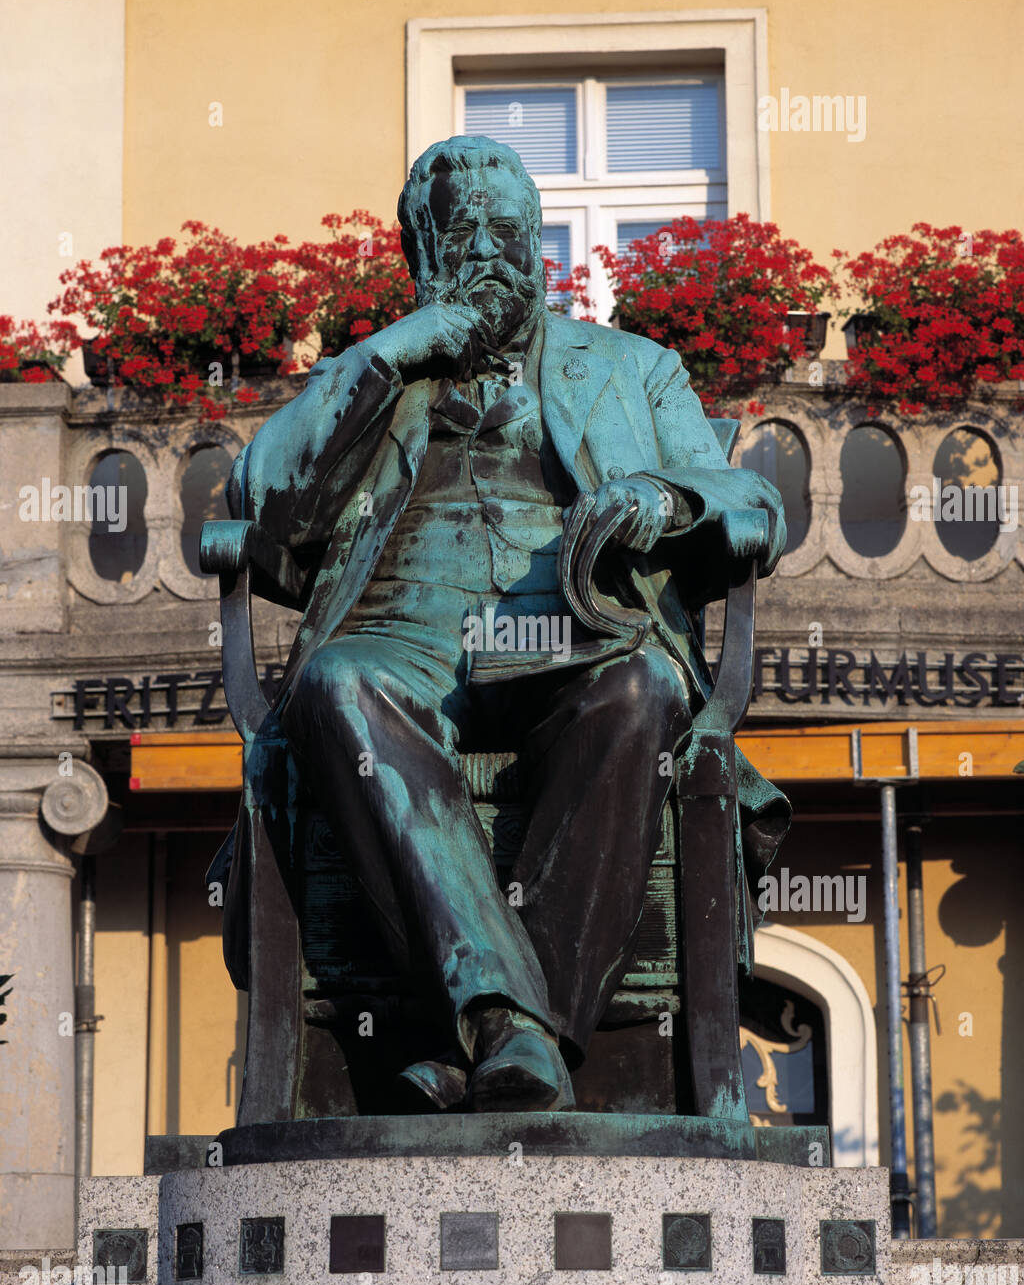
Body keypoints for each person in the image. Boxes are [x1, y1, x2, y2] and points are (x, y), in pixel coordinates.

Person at [220, 135, 789, 1113]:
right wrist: (396, 349)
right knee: (333, 683)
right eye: (461, 230)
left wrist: (660, 499)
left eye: (508, 229)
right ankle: (513, 1041)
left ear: (538, 243)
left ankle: (484, 1038)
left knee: (645, 687)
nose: (489, 248)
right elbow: (263, 500)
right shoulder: (379, 376)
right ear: (422, 256)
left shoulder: (629, 367)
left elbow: (752, 502)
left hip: (575, 622)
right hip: (405, 629)